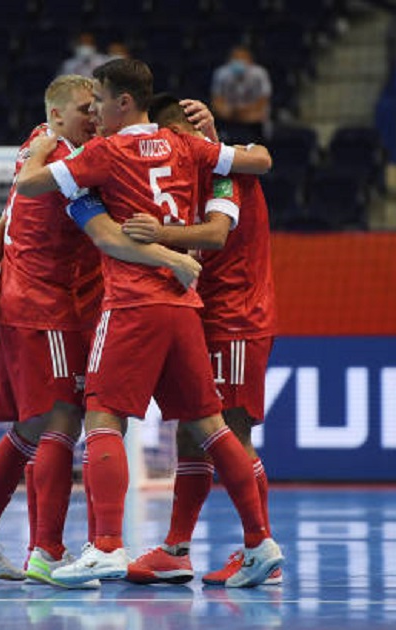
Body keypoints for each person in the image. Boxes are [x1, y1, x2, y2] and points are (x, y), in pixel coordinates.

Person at [15, 58, 283, 588]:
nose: (94, 114)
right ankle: (258, 541)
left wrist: (42, 145)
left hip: (135, 303)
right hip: (185, 305)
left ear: (123, 102)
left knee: (103, 417)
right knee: (208, 427)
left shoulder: (105, 152)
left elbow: (28, 187)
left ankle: (106, 547)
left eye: (99, 103)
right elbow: (260, 159)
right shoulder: (186, 147)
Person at [0, 75, 202, 588]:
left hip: (28, 304)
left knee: (33, 427)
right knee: (61, 419)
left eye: (97, 105)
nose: (94, 115)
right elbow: (107, 237)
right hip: (45, 308)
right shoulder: (70, 167)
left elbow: (3, 221)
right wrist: (172, 256)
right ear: (57, 115)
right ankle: (44, 550)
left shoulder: (36, 146)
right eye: (86, 108)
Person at [119, 95, 281, 586]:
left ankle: (260, 549)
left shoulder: (224, 168)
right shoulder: (188, 172)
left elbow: (215, 236)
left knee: (232, 432)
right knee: (191, 433)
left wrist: (157, 235)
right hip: (206, 318)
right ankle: (176, 550)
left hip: (236, 320)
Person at [210, 45, 272, 145]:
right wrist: (230, 114)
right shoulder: (221, 74)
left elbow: (262, 103)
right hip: (229, 119)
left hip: (253, 121)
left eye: (242, 58)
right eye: (236, 58)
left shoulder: (260, 74)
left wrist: (243, 114)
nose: (239, 61)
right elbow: (217, 103)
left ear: (250, 60)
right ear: (229, 60)